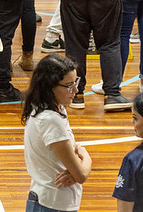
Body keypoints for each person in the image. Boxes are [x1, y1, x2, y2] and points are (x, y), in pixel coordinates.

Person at [22, 54, 91, 212]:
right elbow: (81, 175)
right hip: (51, 204)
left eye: (75, 83)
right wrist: (85, 156)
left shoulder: (56, 108)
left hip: (52, 201)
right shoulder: (50, 120)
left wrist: (75, 169)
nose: (76, 90)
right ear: (50, 86)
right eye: (69, 85)